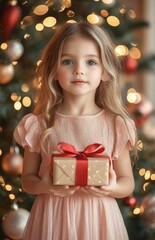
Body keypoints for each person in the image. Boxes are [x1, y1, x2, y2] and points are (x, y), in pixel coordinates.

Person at [14, 21, 137, 240]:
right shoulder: (39, 124)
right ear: (53, 70)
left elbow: (127, 182)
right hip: (51, 218)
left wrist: (112, 187)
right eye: (68, 61)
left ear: (105, 72)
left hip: (100, 221)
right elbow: (27, 180)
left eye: (91, 62)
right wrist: (44, 185)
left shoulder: (116, 125)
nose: (79, 69)